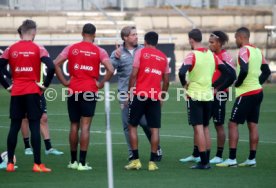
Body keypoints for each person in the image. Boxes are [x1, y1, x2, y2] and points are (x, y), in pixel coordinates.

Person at [54, 23, 114, 171]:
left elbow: (55, 64)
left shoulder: (71, 48)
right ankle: (82, 163)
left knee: (74, 125)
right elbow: (111, 69)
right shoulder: (99, 51)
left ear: (82, 33)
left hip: (73, 89)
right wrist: (100, 84)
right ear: (94, 35)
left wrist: (65, 82)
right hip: (89, 90)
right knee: (85, 126)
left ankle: (73, 161)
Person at [0, 19, 55, 172]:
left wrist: (7, 85)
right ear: (34, 33)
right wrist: (45, 85)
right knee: (34, 126)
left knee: (14, 126)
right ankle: (37, 164)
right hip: (32, 91)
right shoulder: (39, 48)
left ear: (22, 31)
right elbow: (51, 67)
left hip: (17, 91)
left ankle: (10, 163)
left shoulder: (11, 48)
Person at [216, 27, 271, 167]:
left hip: (246, 93)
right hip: (258, 92)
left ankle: (232, 159)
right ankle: (252, 159)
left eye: (235, 37)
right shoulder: (258, 51)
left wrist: (239, 83)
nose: (235, 40)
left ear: (241, 37)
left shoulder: (243, 50)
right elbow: (267, 71)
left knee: (232, 124)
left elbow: (244, 69)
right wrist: (257, 83)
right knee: (253, 125)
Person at [6, 25, 63, 156]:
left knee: (43, 117)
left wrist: (43, 85)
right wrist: (11, 79)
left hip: (36, 88)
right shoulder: (14, 48)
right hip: (24, 89)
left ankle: (48, 147)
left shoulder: (38, 48)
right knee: (24, 119)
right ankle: (28, 147)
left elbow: (49, 66)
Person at [178, 29, 231, 169]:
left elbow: (181, 72)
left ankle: (203, 162)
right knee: (206, 127)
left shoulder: (192, 55)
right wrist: (215, 86)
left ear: (191, 40)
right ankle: (206, 160)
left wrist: (184, 84)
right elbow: (227, 73)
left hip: (195, 95)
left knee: (198, 129)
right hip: (209, 96)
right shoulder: (211, 55)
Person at [110, 26, 162, 161]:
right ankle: (132, 153)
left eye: (136, 34)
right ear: (125, 38)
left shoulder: (143, 50)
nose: (136, 37)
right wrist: (115, 58)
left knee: (146, 123)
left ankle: (156, 149)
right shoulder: (118, 52)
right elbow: (109, 69)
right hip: (124, 93)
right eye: (133, 35)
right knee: (128, 125)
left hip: (142, 92)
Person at [124, 31, 169, 171]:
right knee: (154, 129)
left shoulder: (141, 53)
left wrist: (129, 93)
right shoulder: (163, 57)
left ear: (145, 41)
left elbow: (133, 75)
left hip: (140, 95)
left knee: (132, 126)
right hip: (155, 97)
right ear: (157, 41)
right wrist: (162, 96)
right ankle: (152, 162)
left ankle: (136, 160)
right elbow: (166, 81)